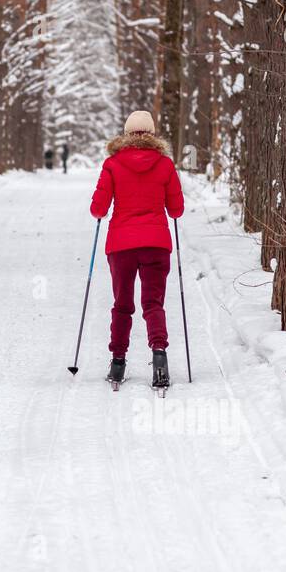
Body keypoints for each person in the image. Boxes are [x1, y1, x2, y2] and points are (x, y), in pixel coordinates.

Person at [89, 110, 184, 388]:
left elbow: (98, 208)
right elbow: (176, 209)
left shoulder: (112, 164)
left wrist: (100, 207)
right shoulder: (165, 165)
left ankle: (118, 363)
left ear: (127, 134)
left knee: (122, 305)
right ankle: (159, 359)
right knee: (153, 304)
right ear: (152, 134)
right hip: (156, 244)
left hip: (121, 246)